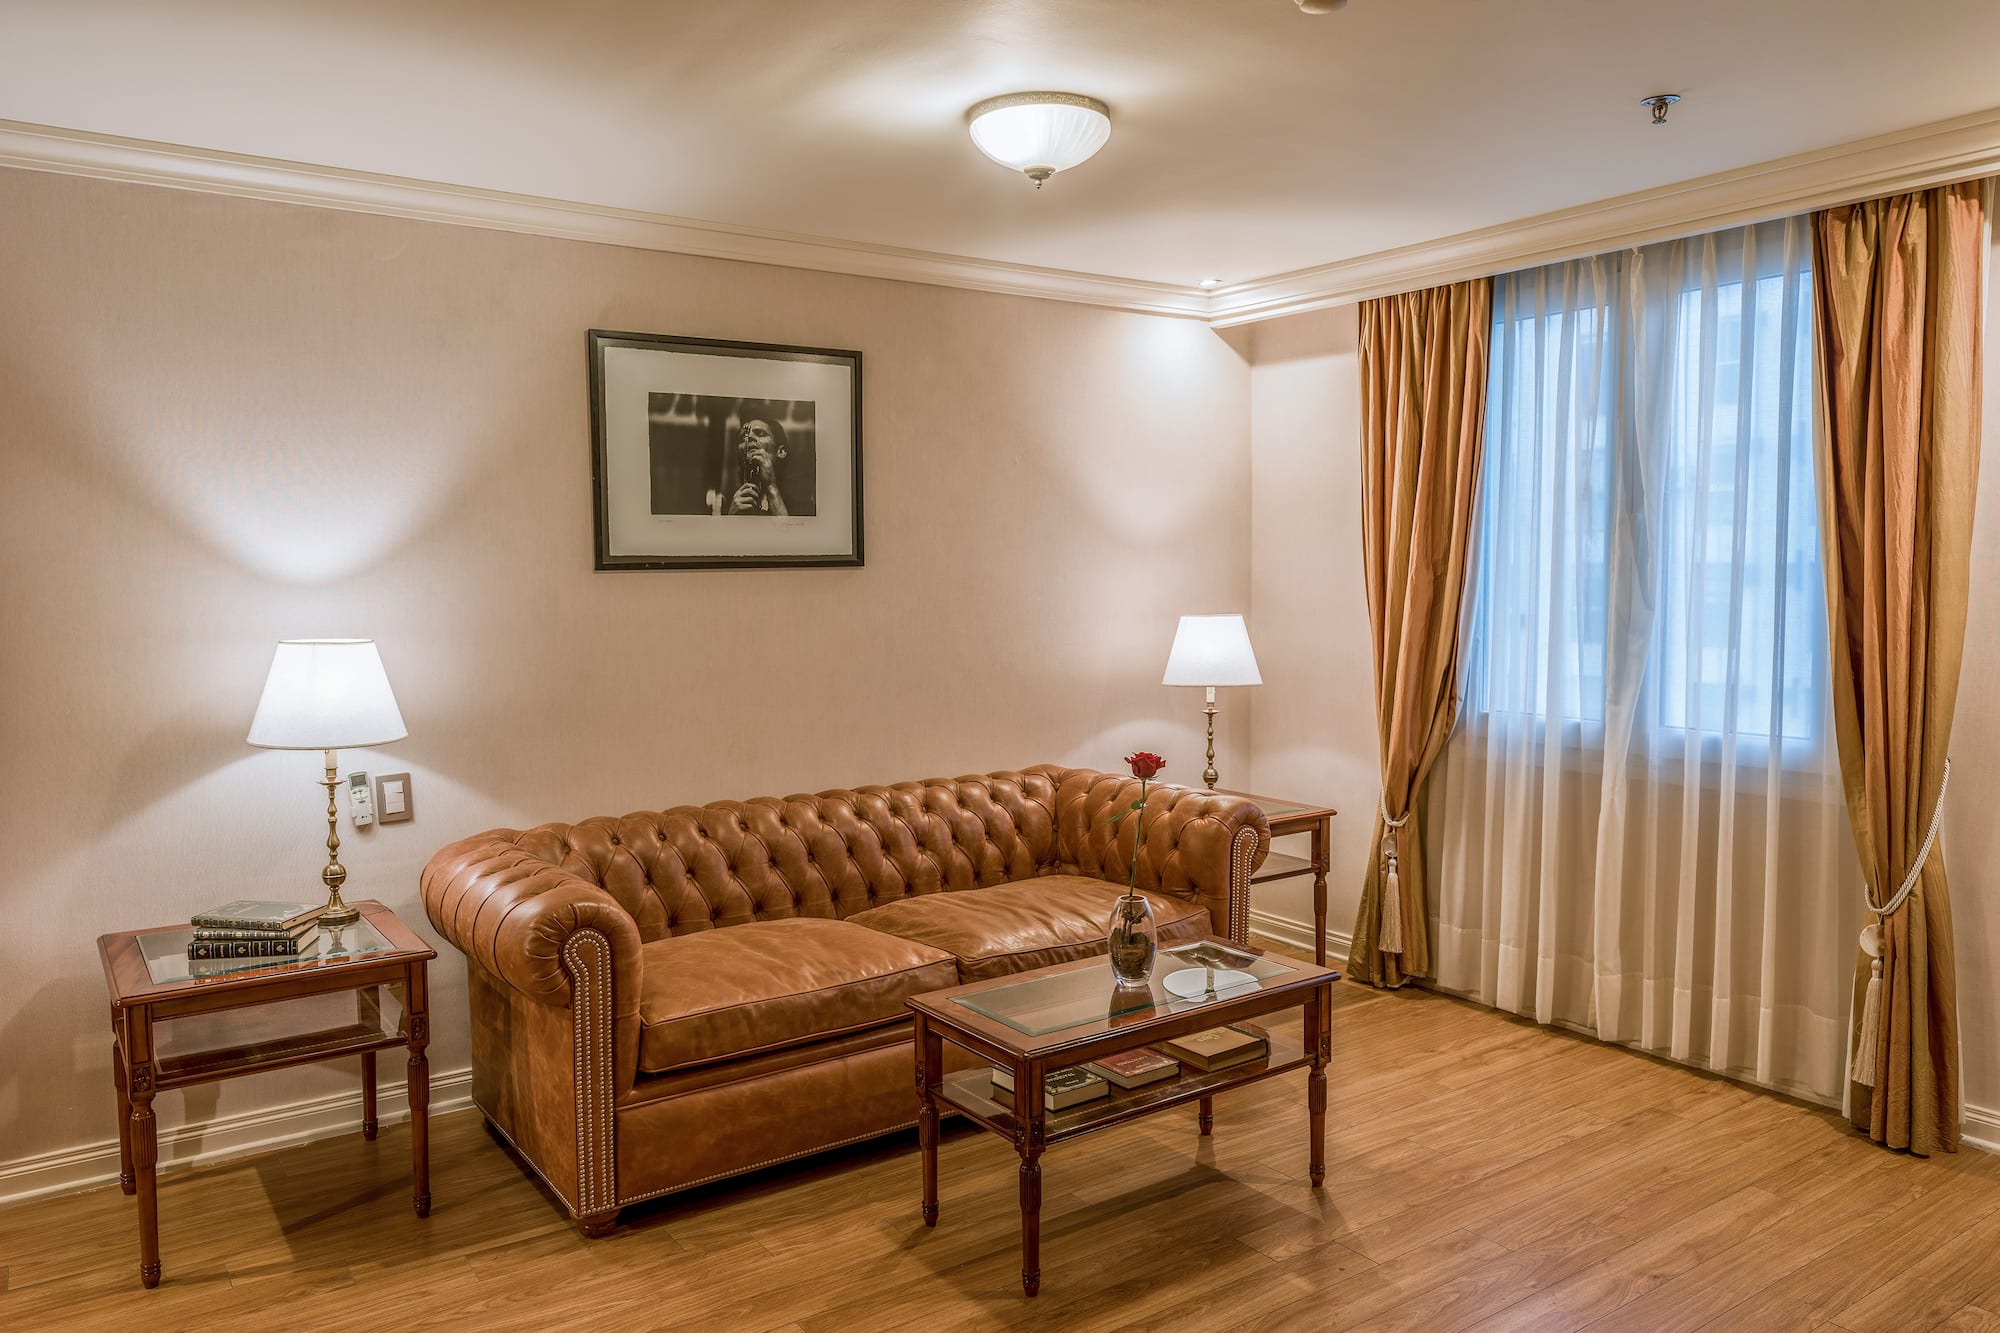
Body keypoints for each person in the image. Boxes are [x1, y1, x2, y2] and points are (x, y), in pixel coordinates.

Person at [709, 413, 789, 516]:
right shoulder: (719, 507)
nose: (749, 437)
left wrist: (771, 487)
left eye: (760, 434)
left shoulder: (805, 505)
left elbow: (790, 531)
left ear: (781, 452)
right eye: (743, 437)